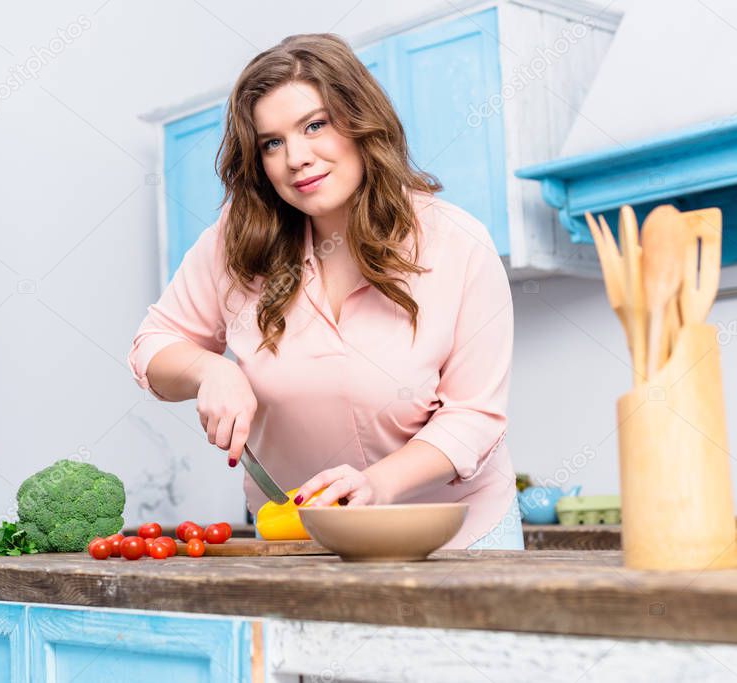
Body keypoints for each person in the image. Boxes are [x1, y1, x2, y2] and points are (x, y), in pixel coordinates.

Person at [128, 33, 522, 550]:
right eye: (272, 142)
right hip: (303, 545)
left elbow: (474, 415)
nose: (296, 157)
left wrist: (378, 484)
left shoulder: (458, 244)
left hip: (454, 538)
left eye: (315, 126)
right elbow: (153, 346)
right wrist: (210, 369)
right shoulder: (237, 240)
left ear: (361, 123)